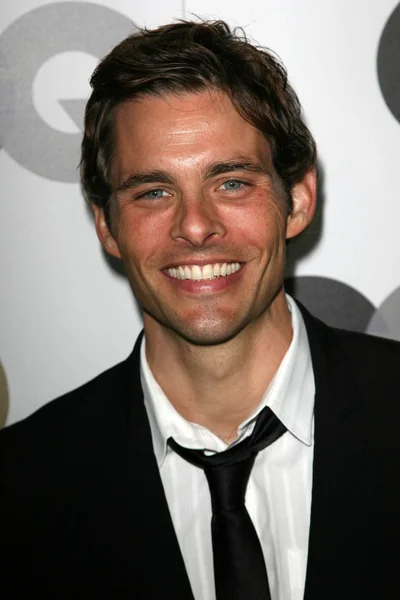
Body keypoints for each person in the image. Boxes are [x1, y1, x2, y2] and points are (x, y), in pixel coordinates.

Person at [1, 19, 399, 600]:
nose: (195, 226)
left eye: (232, 183)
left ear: (299, 201)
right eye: (153, 192)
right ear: (107, 227)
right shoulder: (21, 486)